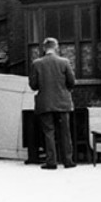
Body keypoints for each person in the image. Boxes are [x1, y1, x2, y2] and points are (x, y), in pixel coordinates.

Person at [28, 37, 76, 170]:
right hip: (63, 102)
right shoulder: (64, 62)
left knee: (49, 132)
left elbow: (33, 85)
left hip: (45, 103)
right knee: (65, 132)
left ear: (44, 48)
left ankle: (51, 162)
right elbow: (72, 82)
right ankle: (68, 160)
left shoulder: (37, 63)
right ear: (56, 47)